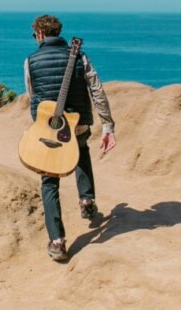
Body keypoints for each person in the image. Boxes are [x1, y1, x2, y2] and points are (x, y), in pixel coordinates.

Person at [24, 15, 116, 262]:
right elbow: (97, 90)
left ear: (40, 35)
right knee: (81, 152)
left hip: (49, 129)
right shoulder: (80, 56)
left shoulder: (30, 61)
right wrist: (108, 125)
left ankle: (57, 241)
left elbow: (31, 94)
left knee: (49, 181)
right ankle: (87, 200)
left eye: (35, 36)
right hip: (78, 124)